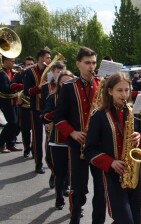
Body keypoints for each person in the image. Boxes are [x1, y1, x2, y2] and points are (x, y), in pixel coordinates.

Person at [85, 72, 141, 224]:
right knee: (125, 219)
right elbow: (89, 150)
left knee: (134, 219)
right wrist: (111, 163)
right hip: (112, 175)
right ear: (110, 91)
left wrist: (140, 139)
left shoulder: (133, 112)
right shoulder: (98, 115)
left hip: (133, 172)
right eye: (119, 90)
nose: (124, 94)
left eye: (126, 90)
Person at [53, 47, 106, 224]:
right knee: (79, 188)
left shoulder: (103, 85)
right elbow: (58, 117)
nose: (91, 67)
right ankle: (74, 218)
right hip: (78, 145)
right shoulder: (68, 87)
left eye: (93, 63)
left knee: (101, 189)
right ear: (78, 64)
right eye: (87, 63)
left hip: (99, 146)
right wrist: (73, 133)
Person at [42, 70, 75, 210]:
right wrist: (58, 112)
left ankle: (74, 202)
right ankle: (59, 198)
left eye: (70, 81)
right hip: (57, 140)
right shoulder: (53, 97)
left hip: (74, 139)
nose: (66, 84)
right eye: (64, 82)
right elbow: (44, 116)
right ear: (58, 83)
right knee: (60, 172)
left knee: (72, 172)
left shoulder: (77, 97)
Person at [23, 47, 52, 174]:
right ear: (41, 58)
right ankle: (38, 163)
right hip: (36, 108)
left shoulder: (50, 70)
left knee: (50, 137)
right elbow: (26, 91)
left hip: (48, 108)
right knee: (37, 137)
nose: (50, 60)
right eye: (48, 58)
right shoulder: (30, 72)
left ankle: (50, 162)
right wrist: (38, 88)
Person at [41, 61, 65, 188]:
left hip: (65, 128)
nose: (60, 74)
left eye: (62, 72)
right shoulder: (46, 87)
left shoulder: (69, 87)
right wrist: (47, 121)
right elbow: (43, 108)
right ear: (53, 73)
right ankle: (54, 173)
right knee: (50, 156)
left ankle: (61, 180)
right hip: (51, 125)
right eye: (58, 72)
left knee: (64, 159)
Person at [0, 56, 23, 153]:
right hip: (6, 101)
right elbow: (4, 88)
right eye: (11, 61)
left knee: (16, 123)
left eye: (14, 61)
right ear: (5, 61)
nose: (13, 63)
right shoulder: (1, 74)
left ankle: (10, 144)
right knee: (12, 122)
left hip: (13, 100)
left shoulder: (12, 72)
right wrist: (17, 86)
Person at [15, 56, 34, 157]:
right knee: (25, 129)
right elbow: (12, 85)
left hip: (35, 105)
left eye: (32, 64)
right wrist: (25, 86)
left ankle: (35, 151)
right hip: (24, 106)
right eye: (28, 65)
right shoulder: (19, 75)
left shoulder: (37, 74)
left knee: (36, 131)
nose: (30, 66)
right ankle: (27, 149)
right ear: (24, 65)